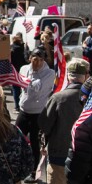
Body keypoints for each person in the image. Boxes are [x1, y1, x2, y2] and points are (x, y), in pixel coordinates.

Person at [37, 58, 89, 184]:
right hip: (84, 155)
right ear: (85, 77)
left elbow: (44, 124)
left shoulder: (59, 98)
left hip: (60, 153)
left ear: (68, 75)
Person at [17, 48, 56, 177]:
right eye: (35, 60)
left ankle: (34, 170)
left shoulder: (49, 73)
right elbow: (21, 84)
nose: (38, 63)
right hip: (24, 110)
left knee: (34, 142)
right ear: (30, 59)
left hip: (38, 113)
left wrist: (28, 80)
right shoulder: (24, 69)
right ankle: (18, 164)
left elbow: (37, 88)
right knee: (16, 138)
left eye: (41, 60)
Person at [10, 32, 28, 111]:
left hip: (14, 70)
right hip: (23, 70)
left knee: (15, 89)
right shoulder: (23, 48)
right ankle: (22, 104)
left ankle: (17, 106)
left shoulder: (12, 50)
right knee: (23, 88)